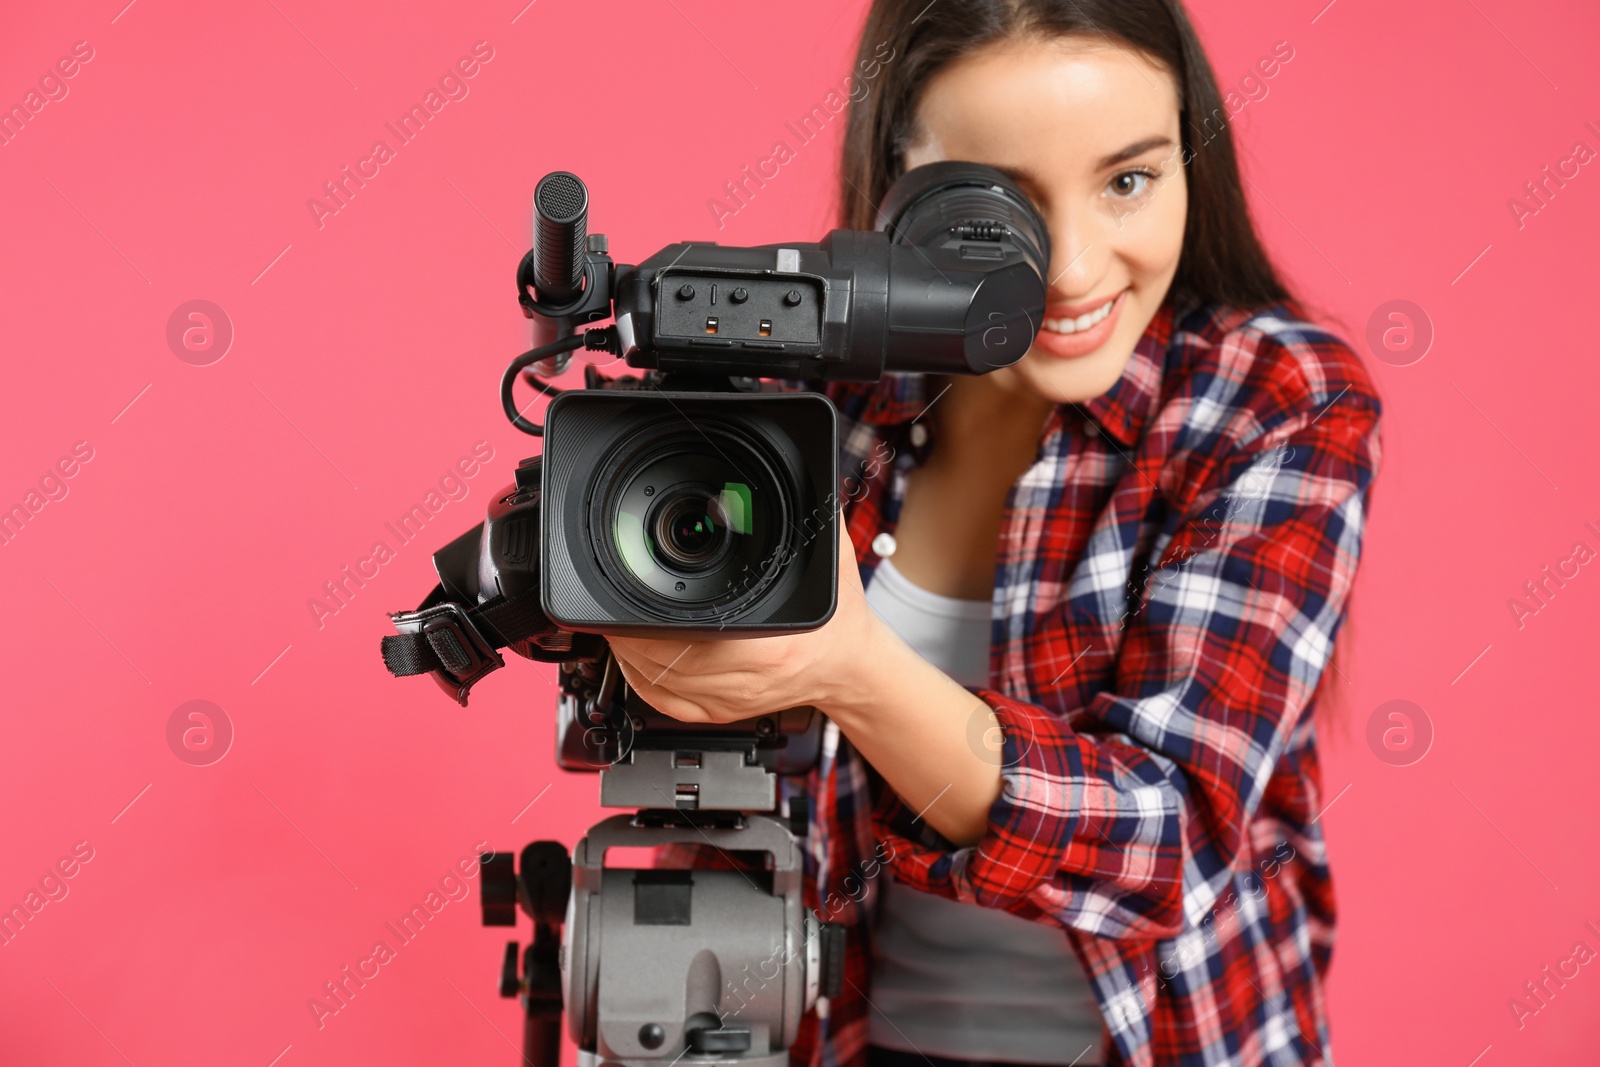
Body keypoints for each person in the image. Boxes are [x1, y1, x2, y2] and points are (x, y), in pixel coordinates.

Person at [607, 1, 1382, 1064]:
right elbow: (726, 821)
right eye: (1001, 204)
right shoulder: (809, 398)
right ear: (898, 180)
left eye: (1128, 179)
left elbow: (1175, 839)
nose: (1068, 269)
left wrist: (854, 668)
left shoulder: (1269, 399)